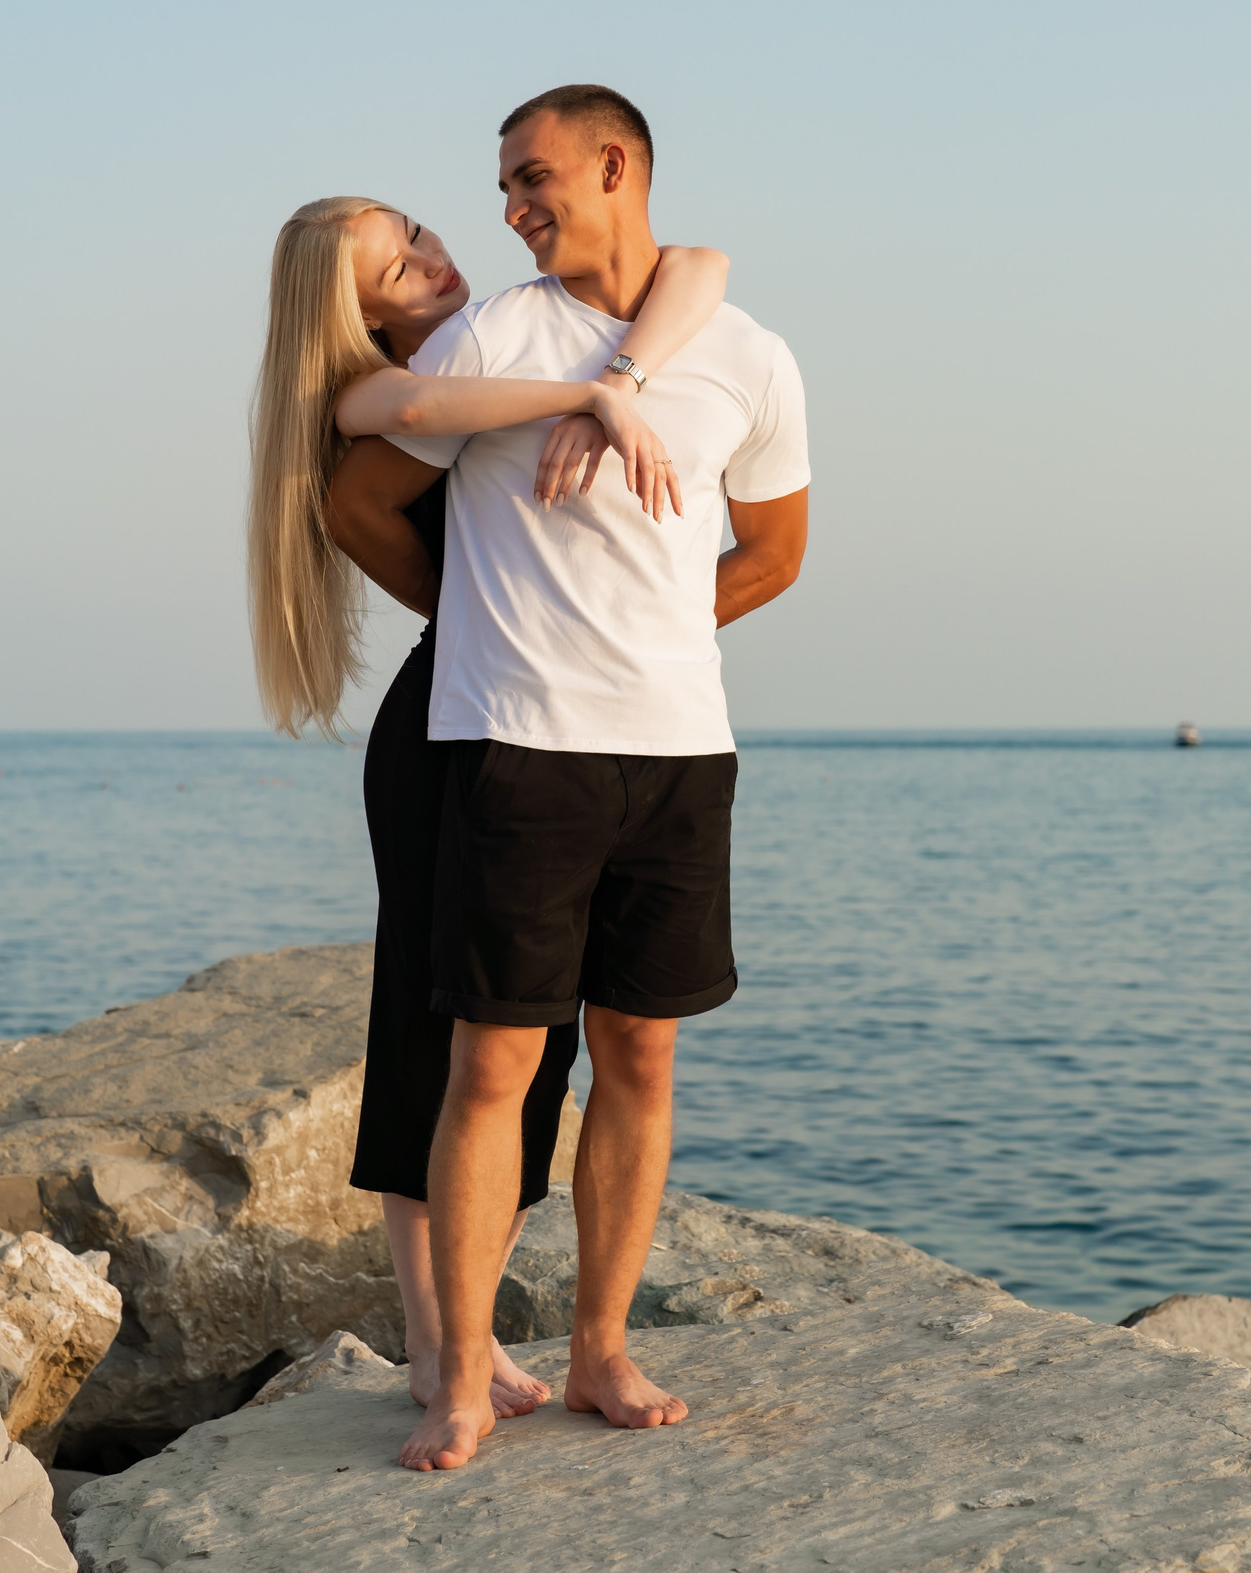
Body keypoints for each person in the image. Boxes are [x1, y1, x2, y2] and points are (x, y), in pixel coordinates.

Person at [328, 85, 809, 1472]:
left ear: (618, 166)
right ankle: (463, 1374)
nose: (510, 208)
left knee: (643, 1053)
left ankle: (599, 1345)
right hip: (517, 747)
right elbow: (358, 491)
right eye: (502, 186)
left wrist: (649, 633)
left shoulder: (748, 353)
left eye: (532, 178)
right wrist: (483, 616)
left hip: (678, 754)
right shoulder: (496, 333)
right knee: (495, 1059)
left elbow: (775, 551)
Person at [246, 194, 731, 1421]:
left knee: (546, 1041)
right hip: (453, 723)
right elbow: (393, 452)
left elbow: (705, 263)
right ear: (348, 316)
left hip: (540, 713)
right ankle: (432, 1340)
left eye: (416, 235)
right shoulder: (384, 390)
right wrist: (593, 400)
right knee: (443, 1028)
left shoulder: (511, 343)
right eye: (394, 267)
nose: (433, 258)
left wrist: (612, 374)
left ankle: (471, 1325)